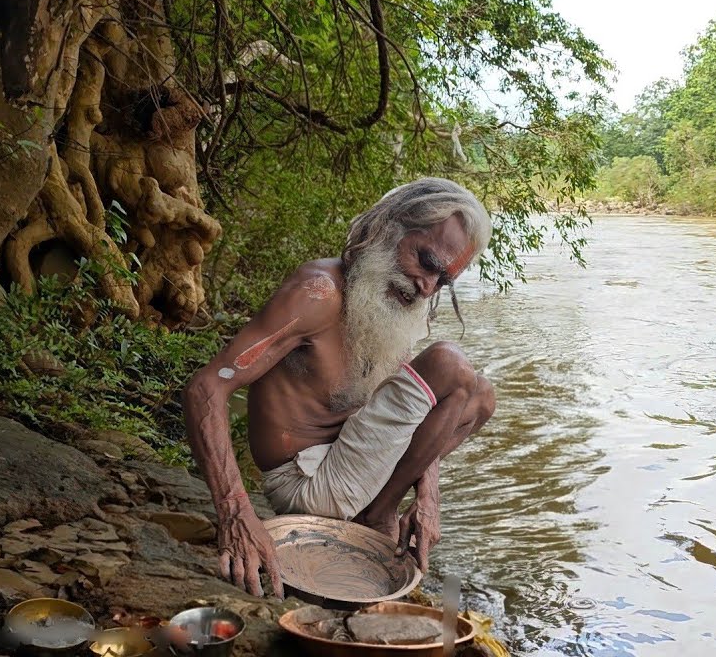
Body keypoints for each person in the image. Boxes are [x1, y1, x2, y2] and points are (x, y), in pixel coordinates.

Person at [183, 177, 496, 597]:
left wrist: (428, 497)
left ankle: (375, 511)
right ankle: (376, 516)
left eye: (443, 281)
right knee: (450, 364)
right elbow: (206, 387)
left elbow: (425, 409)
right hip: (306, 483)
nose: (428, 287)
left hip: (350, 464)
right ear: (389, 227)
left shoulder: (397, 302)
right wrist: (236, 513)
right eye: (426, 262)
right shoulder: (318, 292)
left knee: (481, 396)